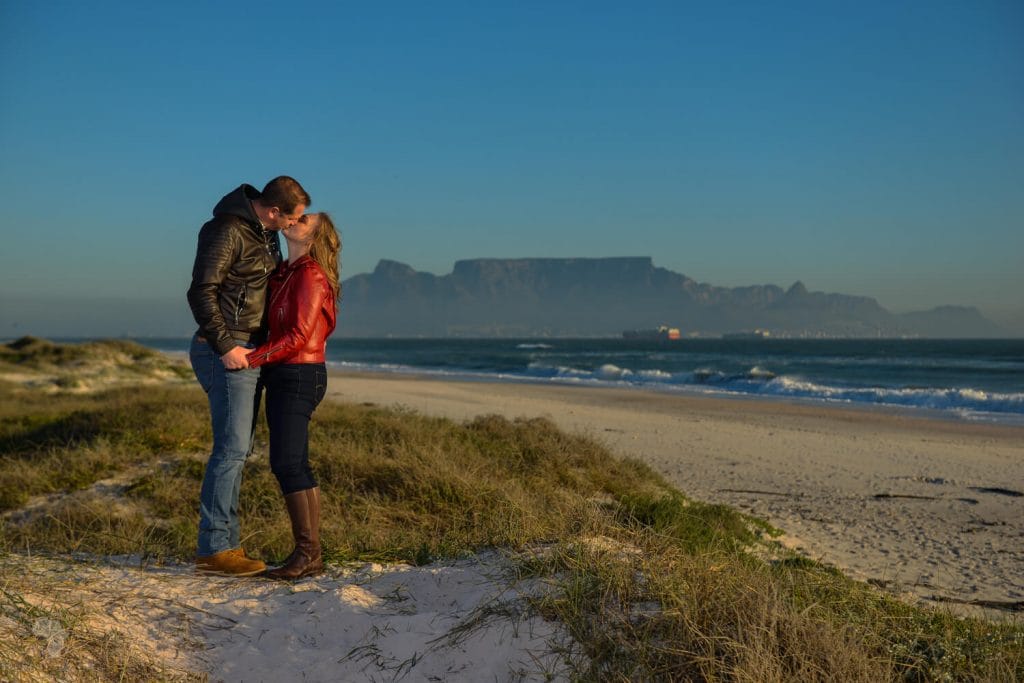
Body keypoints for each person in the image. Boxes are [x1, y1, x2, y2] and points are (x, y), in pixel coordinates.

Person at [186, 176, 311, 576]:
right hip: (227, 349)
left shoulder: (263, 232)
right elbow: (201, 291)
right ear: (274, 211)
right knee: (231, 450)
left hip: (250, 350)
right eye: (293, 217)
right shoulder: (225, 230)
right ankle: (215, 549)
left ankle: (225, 545)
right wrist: (225, 348)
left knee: (237, 449)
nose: (295, 224)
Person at [246, 212, 340, 579]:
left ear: (314, 237)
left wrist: (250, 359)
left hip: (300, 373)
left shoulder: (310, 275)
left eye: (305, 219)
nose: (295, 219)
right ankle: (309, 554)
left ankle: (308, 555)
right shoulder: (286, 271)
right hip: (287, 372)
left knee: (288, 463)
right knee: (291, 462)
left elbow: (299, 336)